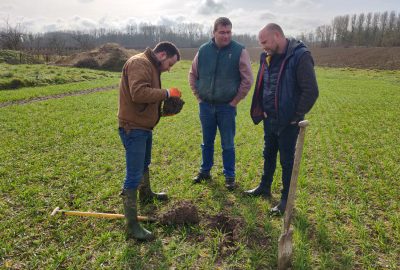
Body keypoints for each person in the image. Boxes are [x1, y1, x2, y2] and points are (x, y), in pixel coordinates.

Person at [244, 23, 319, 215]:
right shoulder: (267, 57)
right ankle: (264, 187)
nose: (263, 47)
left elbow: (311, 91)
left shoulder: (300, 56)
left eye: (265, 42)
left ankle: (286, 200)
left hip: (289, 123)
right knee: (268, 154)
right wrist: (263, 109)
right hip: (270, 119)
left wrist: (295, 117)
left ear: (277, 36)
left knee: (287, 161)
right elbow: (264, 84)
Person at [118, 42, 181, 240]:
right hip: (133, 127)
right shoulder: (140, 63)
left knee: (145, 164)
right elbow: (138, 93)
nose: (169, 69)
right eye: (170, 64)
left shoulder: (152, 66)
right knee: (133, 175)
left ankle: (146, 194)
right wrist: (167, 93)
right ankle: (132, 225)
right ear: (162, 54)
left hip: (144, 126)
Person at [189, 17, 254, 190]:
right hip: (206, 106)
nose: (226, 36)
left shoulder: (239, 51)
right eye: (222, 32)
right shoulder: (203, 50)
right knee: (206, 142)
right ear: (214, 32)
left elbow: (247, 80)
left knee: (228, 143)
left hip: (227, 107)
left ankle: (230, 176)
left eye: (229, 32)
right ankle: (205, 171)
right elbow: (192, 74)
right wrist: (199, 96)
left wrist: (235, 101)